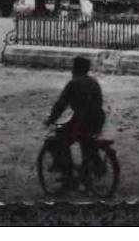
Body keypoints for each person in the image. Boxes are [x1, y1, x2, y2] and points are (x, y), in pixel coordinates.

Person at [44, 56, 106, 187]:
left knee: (61, 137)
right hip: (98, 119)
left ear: (75, 69)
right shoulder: (93, 82)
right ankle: (90, 169)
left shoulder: (73, 83)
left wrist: (51, 120)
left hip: (82, 120)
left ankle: (68, 177)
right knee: (86, 141)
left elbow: (60, 105)